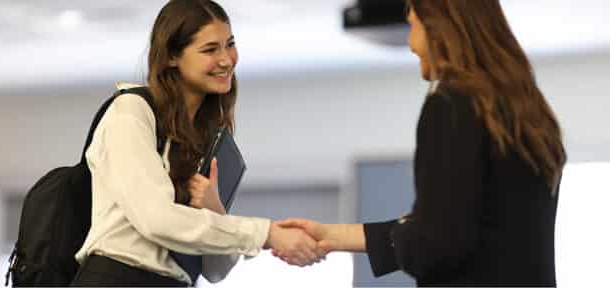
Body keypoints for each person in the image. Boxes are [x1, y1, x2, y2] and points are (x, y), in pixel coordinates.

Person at [272, 0, 567, 286]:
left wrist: (416, 230)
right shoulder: (525, 110)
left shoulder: (452, 105)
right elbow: (472, 227)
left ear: (437, 26)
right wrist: (330, 236)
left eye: (413, 26)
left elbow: (437, 245)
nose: (412, 45)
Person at [71, 0, 325, 286]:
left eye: (229, 44)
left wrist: (214, 209)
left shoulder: (207, 137)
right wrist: (266, 233)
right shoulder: (132, 110)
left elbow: (216, 271)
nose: (226, 59)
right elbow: (158, 220)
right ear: (171, 57)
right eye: (209, 50)